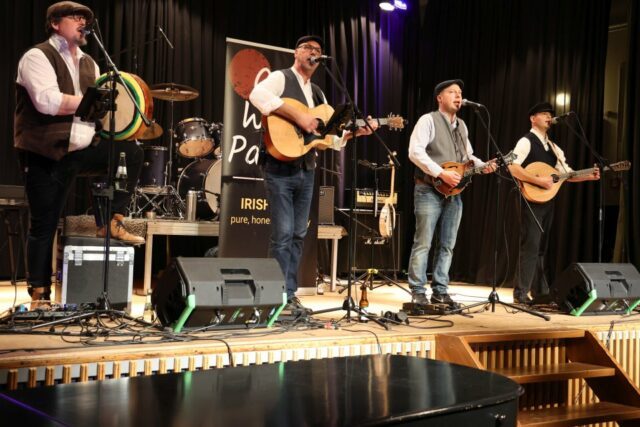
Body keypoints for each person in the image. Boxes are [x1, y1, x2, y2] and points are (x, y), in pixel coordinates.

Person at [14, 1, 145, 309]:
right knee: (44, 223)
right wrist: (90, 101)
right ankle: (39, 294)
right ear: (55, 23)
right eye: (76, 17)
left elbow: (98, 108)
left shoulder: (91, 64)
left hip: (82, 148)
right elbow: (47, 101)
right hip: (45, 150)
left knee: (130, 152)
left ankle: (110, 220)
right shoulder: (37, 56)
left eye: (86, 18)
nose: (83, 22)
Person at [249, 35, 376, 310]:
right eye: (308, 48)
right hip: (279, 167)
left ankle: (288, 295)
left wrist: (354, 133)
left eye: (318, 50)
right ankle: (274, 297)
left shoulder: (318, 94)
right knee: (283, 234)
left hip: (306, 169)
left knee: (298, 234)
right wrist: (299, 117)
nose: (313, 53)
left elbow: (328, 138)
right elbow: (257, 95)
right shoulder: (281, 78)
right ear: (296, 52)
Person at [407, 79, 495, 308]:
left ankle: (440, 290)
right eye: (452, 92)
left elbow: (467, 156)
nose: (458, 96)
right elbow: (415, 152)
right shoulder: (428, 120)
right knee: (423, 242)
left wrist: (483, 165)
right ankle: (417, 291)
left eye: (460, 93)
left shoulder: (462, 126)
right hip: (428, 189)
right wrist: (440, 173)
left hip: (454, 193)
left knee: (447, 245)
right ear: (440, 98)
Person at [508, 102, 600, 304]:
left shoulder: (554, 148)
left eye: (550, 114)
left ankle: (540, 292)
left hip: (546, 199)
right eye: (544, 114)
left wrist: (588, 176)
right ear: (533, 118)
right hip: (528, 198)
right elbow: (512, 167)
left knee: (541, 247)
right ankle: (520, 293)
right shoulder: (525, 141)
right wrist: (538, 181)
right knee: (530, 244)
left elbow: (567, 174)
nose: (549, 117)